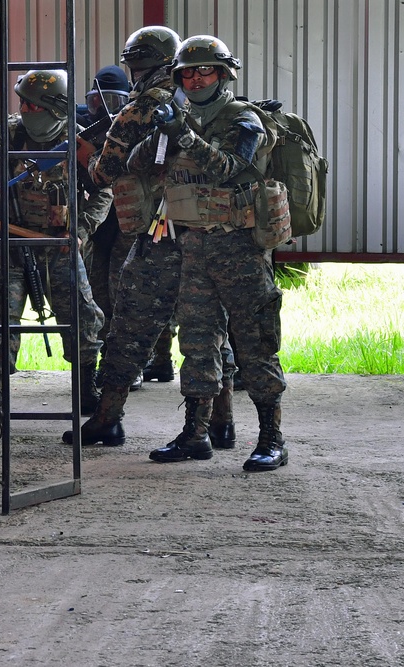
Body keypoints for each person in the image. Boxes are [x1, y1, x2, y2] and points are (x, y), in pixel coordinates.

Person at [62, 26, 238, 451]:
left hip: (160, 232)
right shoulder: (209, 102)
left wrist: (88, 156)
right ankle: (222, 422)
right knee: (210, 327)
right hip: (211, 229)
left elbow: (102, 173)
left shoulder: (143, 105)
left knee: (129, 325)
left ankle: (108, 419)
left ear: (137, 66)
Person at [130, 35, 288, 471]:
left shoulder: (245, 119)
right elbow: (136, 166)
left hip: (237, 246)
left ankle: (272, 438)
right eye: (187, 72)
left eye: (205, 70)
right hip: (192, 246)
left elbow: (230, 168)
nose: (196, 78)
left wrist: (184, 134)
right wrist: (159, 134)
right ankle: (195, 434)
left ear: (223, 74)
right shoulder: (177, 118)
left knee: (256, 341)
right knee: (197, 342)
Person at [0, 69, 112, 424]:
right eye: (23, 103)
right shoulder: (8, 135)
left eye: (36, 105)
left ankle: (85, 388)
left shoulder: (76, 142)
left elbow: (102, 191)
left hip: (60, 244)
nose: (27, 109)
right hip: (11, 243)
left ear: (55, 108)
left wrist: (80, 230)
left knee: (81, 313)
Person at [75, 66, 143, 391]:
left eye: (115, 100)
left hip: (128, 219)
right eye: (97, 101)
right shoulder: (82, 124)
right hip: (98, 222)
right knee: (98, 292)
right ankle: (106, 363)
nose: (105, 108)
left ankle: (130, 365)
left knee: (124, 292)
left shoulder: (134, 123)